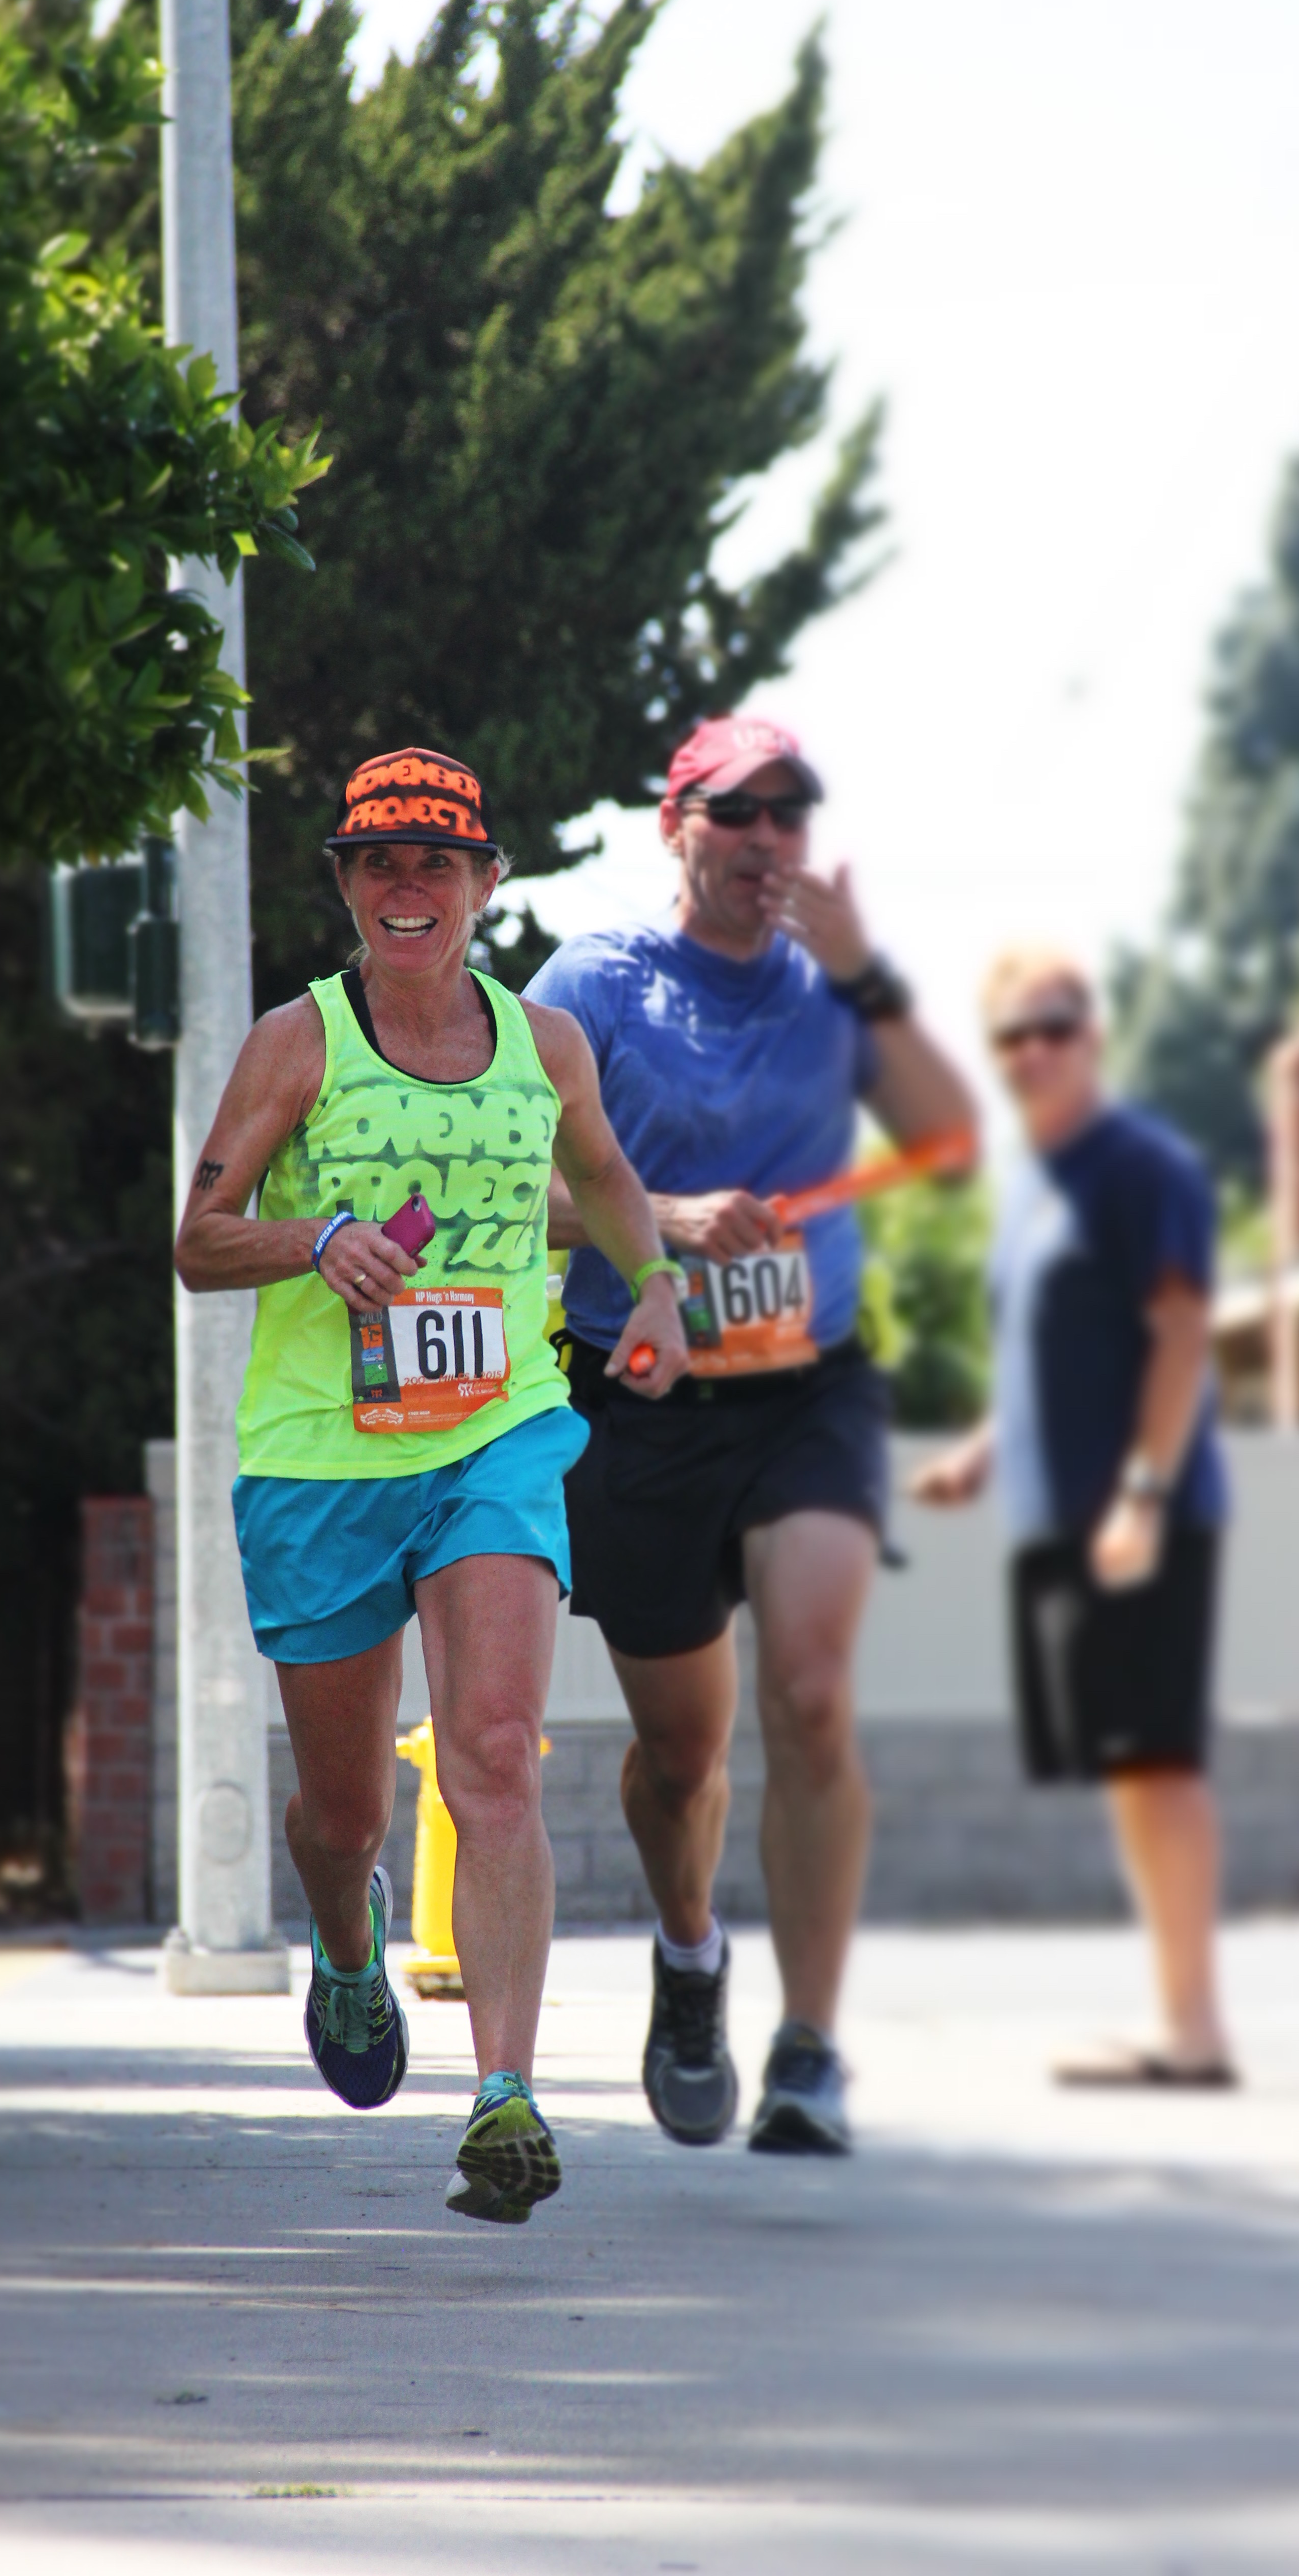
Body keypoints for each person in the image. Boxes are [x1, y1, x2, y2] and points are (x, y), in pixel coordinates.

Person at [173, 746, 689, 2223]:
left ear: (487, 883)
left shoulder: (547, 1044)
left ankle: (505, 2097)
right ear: (345, 886)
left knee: (498, 1749)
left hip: (496, 1431)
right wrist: (315, 1238)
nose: (410, 887)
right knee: (342, 1816)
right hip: (323, 1458)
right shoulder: (298, 1043)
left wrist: (654, 1286)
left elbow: (603, 1176)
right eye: (380, 862)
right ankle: (349, 1945)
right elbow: (199, 1241)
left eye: (438, 862)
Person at [527, 716, 978, 2154]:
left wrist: (869, 974)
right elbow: (501, 1177)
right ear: (678, 826)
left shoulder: (837, 990)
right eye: (738, 812)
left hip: (808, 1393)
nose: (768, 839)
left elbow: (953, 1137)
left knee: (816, 1691)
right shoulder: (594, 985)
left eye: (791, 814)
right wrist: (655, 1217)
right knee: (682, 1758)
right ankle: (689, 1954)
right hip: (641, 1396)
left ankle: (809, 2051)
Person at [910, 948, 1237, 2088]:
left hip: (1140, 1520)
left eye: (1054, 1027)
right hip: (1057, 1525)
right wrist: (983, 1456)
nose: (1034, 1051)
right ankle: (1179, 2017)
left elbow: (1182, 1337)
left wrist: (1143, 1499)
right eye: (1013, 1035)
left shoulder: (1144, 1168)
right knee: (1126, 1771)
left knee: (1159, 1763)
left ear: (1092, 1035)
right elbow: (1050, 1355)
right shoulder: (1036, 1182)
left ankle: (1196, 2029)